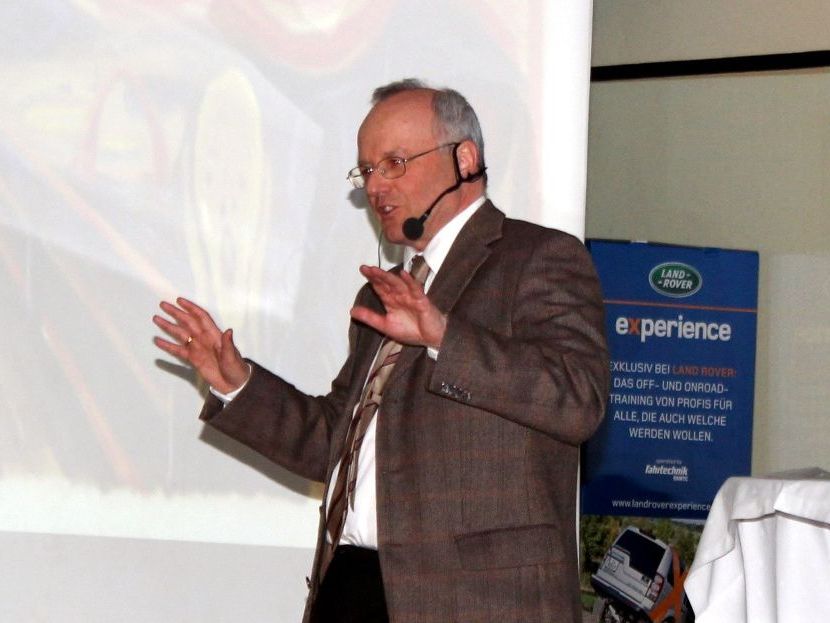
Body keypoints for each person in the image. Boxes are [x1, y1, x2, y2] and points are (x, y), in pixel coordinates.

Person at [153, 78, 609, 623]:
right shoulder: (383, 293)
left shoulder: (537, 257)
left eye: (394, 163)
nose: (375, 186)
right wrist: (237, 383)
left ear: (465, 159)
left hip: (479, 599)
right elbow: (332, 442)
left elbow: (579, 401)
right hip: (354, 584)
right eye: (366, 170)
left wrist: (443, 337)